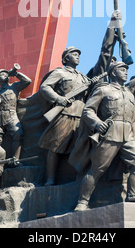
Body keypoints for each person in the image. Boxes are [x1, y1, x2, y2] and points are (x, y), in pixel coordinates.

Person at [38, 11, 120, 186]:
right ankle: (50, 178)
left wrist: (112, 25)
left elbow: (102, 57)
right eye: (74, 54)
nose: (78, 56)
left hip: (81, 114)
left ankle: (74, 177)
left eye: (78, 54)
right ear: (66, 57)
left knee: (78, 146)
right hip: (64, 112)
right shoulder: (59, 72)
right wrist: (58, 99)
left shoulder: (83, 77)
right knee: (55, 146)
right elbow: (44, 87)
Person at [74, 61, 135, 211]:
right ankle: (82, 202)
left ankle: (132, 197)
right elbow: (88, 110)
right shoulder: (103, 90)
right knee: (97, 169)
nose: (126, 72)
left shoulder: (129, 94)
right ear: (113, 72)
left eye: (127, 70)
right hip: (110, 134)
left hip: (128, 136)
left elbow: (134, 121)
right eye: (122, 69)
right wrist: (98, 124)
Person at [0, 66, 31, 159]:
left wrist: (16, 74)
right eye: (2, 74)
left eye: (6, 74)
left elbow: (27, 81)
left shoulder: (14, 86)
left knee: (18, 134)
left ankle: (15, 158)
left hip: (11, 114)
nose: (5, 75)